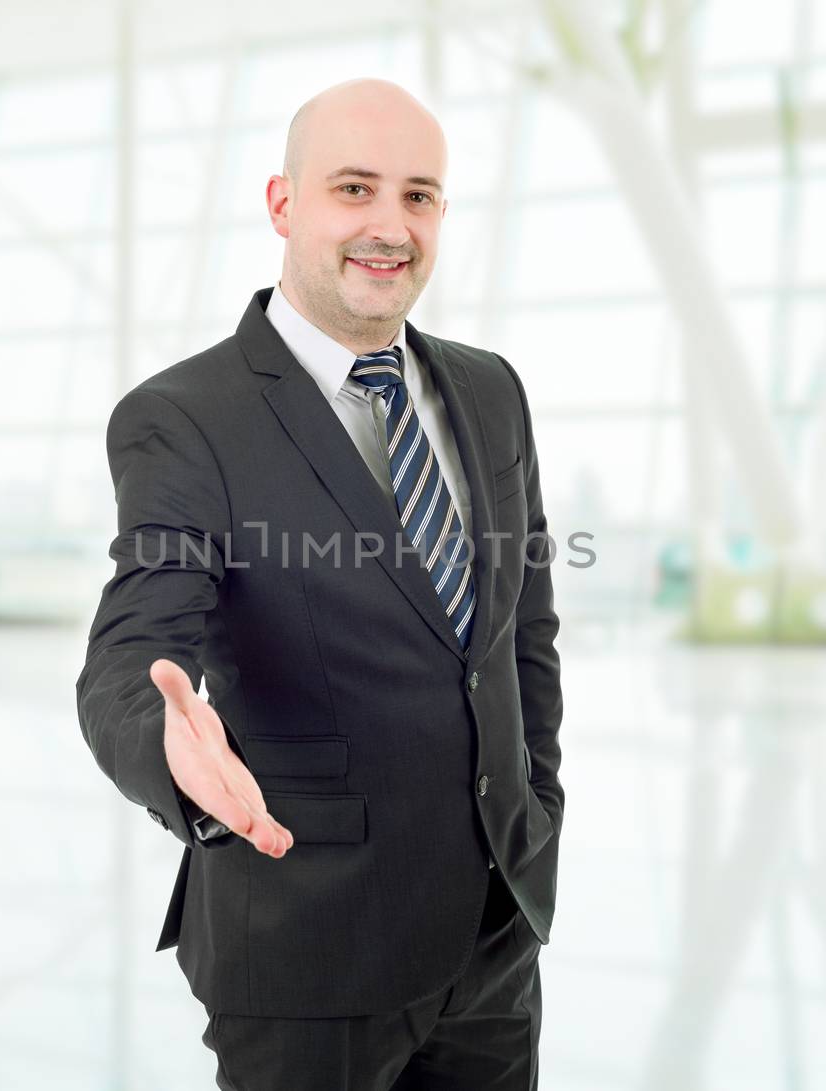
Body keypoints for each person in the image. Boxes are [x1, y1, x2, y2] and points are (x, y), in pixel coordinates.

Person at [75, 77, 563, 1089]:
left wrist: (536, 806)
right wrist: (170, 752)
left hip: (491, 936)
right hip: (308, 949)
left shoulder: (489, 389)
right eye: (355, 188)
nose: (390, 225)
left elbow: (522, 635)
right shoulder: (184, 417)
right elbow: (133, 654)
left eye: (419, 195)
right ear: (283, 203)